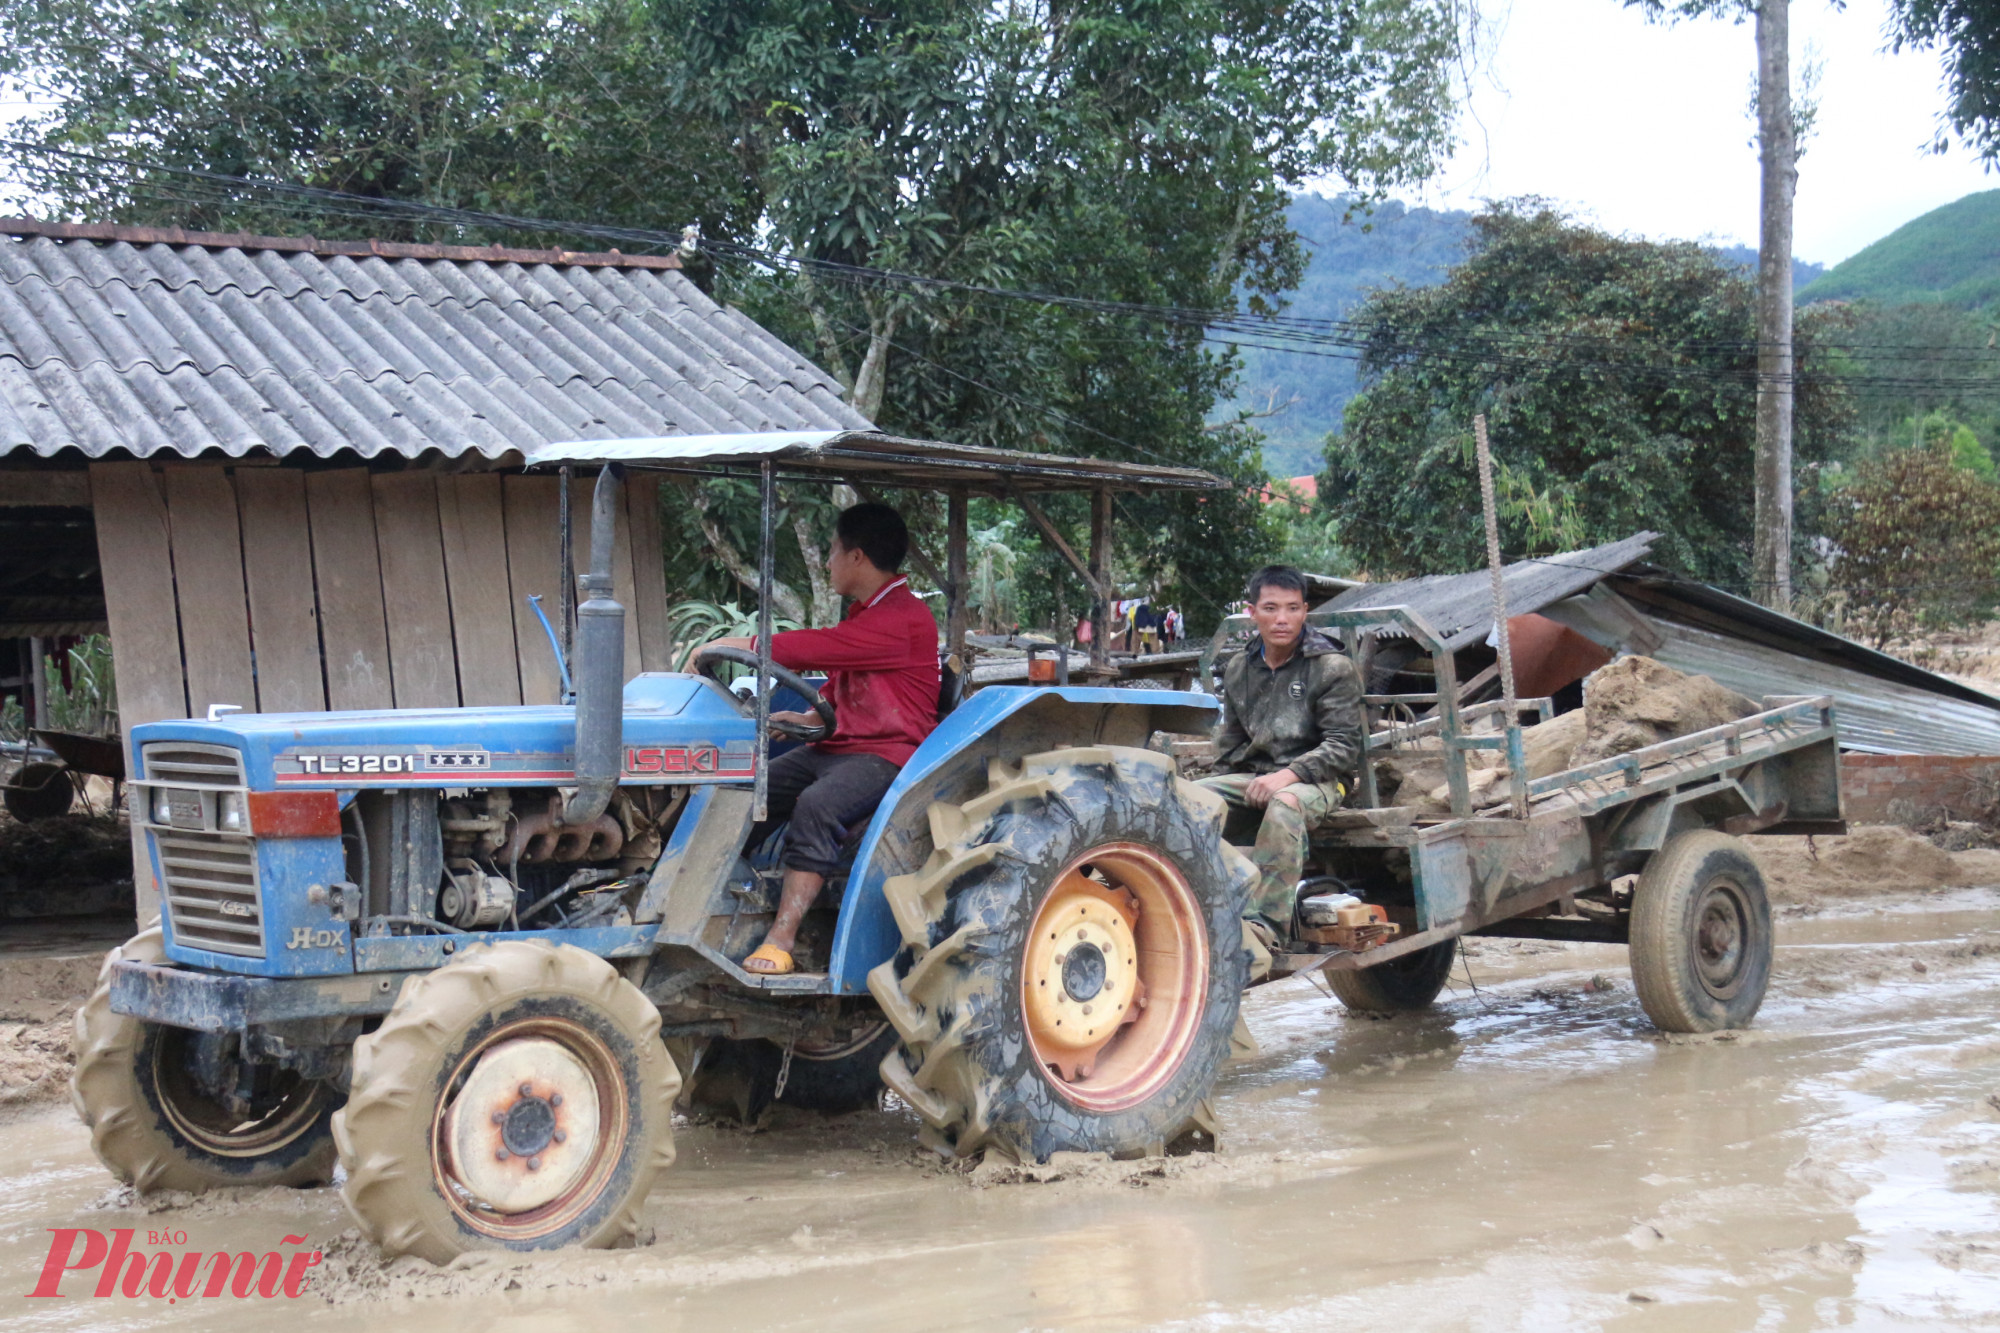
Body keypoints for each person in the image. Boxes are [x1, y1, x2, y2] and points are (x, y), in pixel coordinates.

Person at [711, 503, 940, 975]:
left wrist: (744, 647)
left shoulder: (904, 618)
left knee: (818, 805)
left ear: (857, 557)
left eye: (832, 551)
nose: (828, 562)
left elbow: (817, 647)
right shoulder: (866, 616)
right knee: (747, 788)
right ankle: (719, 898)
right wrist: (801, 718)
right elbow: (838, 697)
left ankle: (783, 936)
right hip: (839, 747)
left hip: (888, 754)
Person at [1199, 565, 1363, 946]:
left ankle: (1265, 928)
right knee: (1189, 798)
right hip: (1255, 775)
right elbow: (1232, 744)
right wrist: (1224, 791)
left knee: (1285, 805)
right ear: (1252, 612)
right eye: (1271, 608)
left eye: (1292, 608)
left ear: (1305, 611)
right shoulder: (1240, 668)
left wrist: (1285, 777)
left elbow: (1342, 746)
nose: (1282, 619)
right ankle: (1198, 906)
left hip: (1318, 781)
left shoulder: (1331, 667)